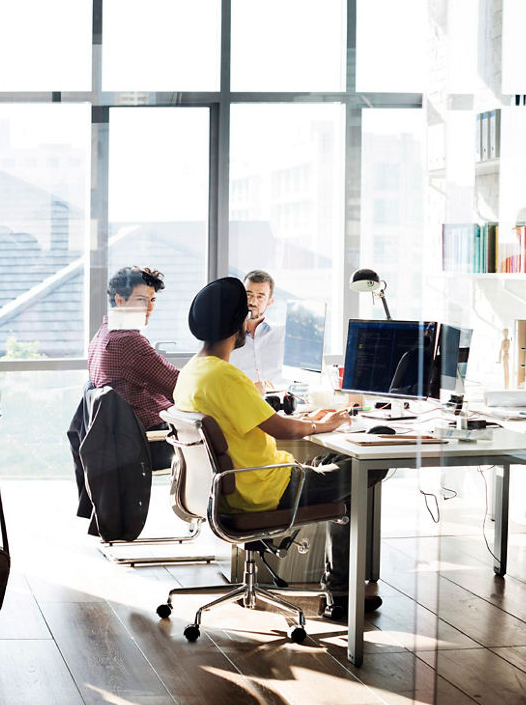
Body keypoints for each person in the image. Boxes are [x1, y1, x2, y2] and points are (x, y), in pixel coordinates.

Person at [173, 277, 385, 620]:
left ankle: (343, 591)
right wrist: (323, 424)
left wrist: (313, 419)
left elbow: (258, 417)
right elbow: (281, 428)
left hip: (236, 488)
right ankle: (342, 592)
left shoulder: (193, 372)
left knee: (336, 461)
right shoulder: (225, 376)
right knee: (369, 463)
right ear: (238, 324)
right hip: (267, 490)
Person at [87, 265, 178, 468]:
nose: (150, 308)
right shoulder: (128, 341)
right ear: (120, 300)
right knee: (222, 434)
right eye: (141, 300)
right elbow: (178, 385)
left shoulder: (102, 335)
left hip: (122, 440)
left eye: (152, 300)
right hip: (149, 442)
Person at [231, 269, 285, 390]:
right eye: (248, 294)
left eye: (260, 296)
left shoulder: (283, 335)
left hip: (279, 402)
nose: (252, 302)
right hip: (241, 401)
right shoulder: (226, 337)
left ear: (270, 302)